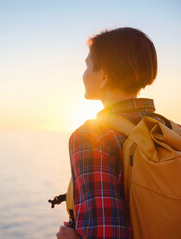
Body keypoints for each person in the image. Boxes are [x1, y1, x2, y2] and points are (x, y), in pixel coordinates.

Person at [56, 27, 163, 239]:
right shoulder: (171, 130)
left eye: (87, 66)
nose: (84, 74)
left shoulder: (93, 136)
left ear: (104, 75)